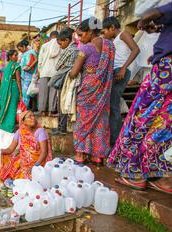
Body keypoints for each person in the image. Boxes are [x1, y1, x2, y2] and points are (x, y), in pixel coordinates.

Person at [108, 3, 172, 194]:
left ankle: (136, 173)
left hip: (166, 70)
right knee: (166, 123)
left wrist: (144, 21)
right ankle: (166, 179)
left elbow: (151, 12)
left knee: (144, 117)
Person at [69, 18, 115, 166]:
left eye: (81, 35)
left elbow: (74, 72)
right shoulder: (110, 46)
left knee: (83, 121)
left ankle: (81, 154)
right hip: (104, 90)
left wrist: (69, 74)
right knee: (101, 123)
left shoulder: (86, 49)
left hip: (87, 90)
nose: (81, 39)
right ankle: (98, 156)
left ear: (90, 31)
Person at [101, 16, 140, 147]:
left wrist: (124, 67)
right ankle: (114, 139)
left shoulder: (123, 34)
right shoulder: (115, 40)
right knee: (112, 106)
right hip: (116, 72)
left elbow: (136, 49)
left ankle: (115, 141)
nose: (104, 34)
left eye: (104, 31)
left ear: (112, 27)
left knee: (114, 106)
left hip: (121, 72)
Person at [0, 111, 52, 181]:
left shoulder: (40, 132)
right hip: (25, 163)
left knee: (29, 178)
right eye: (30, 116)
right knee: (7, 165)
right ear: (23, 121)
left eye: (33, 116)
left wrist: (35, 166)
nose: (33, 118)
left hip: (38, 163)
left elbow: (44, 152)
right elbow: (10, 149)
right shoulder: (20, 132)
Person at [50, 28, 79, 135]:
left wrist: (64, 65)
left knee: (61, 103)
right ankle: (62, 127)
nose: (59, 45)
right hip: (73, 79)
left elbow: (57, 66)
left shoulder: (68, 50)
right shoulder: (77, 49)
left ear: (66, 40)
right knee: (68, 103)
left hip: (64, 79)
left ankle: (61, 128)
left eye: (60, 42)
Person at [0, 49, 23, 133]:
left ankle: (4, 126)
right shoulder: (16, 66)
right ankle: (9, 128)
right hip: (14, 89)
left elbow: (3, 80)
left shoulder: (5, 66)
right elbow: (18, 80)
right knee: (12, 107)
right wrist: (21, 92)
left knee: (8, 106)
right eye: (15, 55)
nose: (16, 57)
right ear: (10, 56)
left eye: (17, 55)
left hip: (5, 90)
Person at [37, 31, 61, 116]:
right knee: (53, 92)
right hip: (55, 72)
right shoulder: (60, 46)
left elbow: (40, 61)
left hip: (44, 71)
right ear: (57, 37)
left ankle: (42, 111)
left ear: (50, 37)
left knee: (43, 92)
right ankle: (51, 111)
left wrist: (39, 71)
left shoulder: (44, 46)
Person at [17, 40, 38, 110]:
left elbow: (36, 60)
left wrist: (29, 67)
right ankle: (26, 108)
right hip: (24, 76)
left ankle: (24, 109)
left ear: (24, 46)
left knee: (27, 94)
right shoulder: (24, 54)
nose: (20, 51)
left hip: (29, 76)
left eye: (20, 49)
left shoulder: (31, 52)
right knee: (27, 93)